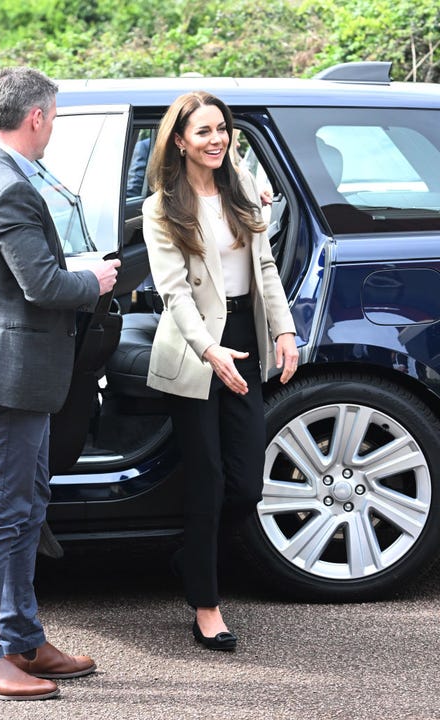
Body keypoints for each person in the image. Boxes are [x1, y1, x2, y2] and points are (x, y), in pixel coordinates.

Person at [0, 67, 120, 700]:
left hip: (1, 367)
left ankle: (22, 639)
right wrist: (96, 282)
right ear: (37, 118)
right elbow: (43, 287)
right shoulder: (10, 189)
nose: (54, 126)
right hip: (7, 376)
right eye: (53, 116)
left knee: (26, 508)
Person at [142, 91, 298, 651]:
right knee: (205, 477)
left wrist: (284, 330)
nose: (216, 138)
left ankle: (189, 556)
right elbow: (174, 293)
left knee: (246, 481)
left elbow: (266, 269)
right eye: (202, 131)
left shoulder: (243, 194)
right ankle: (206, 606)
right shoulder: (162, 206)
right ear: (179, 140)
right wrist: (209, 350)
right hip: (193, 348)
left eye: (222, 129)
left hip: (244, 338)